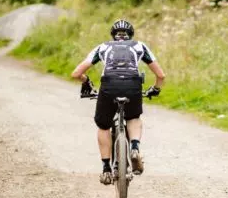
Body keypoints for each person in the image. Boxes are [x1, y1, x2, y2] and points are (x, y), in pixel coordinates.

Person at [71, 19, 166, 185]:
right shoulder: (139, 46)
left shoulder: (103, 47)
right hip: (132, 85)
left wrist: (86, 81)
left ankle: (106, 169)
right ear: (131, 35)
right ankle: (135, 148)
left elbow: (76, 73)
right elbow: (161, 75)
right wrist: (155, 89)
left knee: (103, 125)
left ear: (113, 35)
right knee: (133, 117)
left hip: (109, 85)